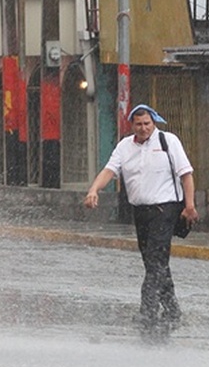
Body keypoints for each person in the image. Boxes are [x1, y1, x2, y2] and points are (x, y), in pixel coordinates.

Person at [84, 104, 199, 326]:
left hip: (165, 210)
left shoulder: (169, 141)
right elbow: (110, 170)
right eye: (139, 124)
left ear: (153, 122)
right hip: (140, 212)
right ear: (132, 125)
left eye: (147, 123)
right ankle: (172, 308)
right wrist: (93, 190)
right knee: (153, 262)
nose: (144, 128)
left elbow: (186, 175)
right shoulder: (125, 146)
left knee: (156, 259)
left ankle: (148, 310)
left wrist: (190, 205)